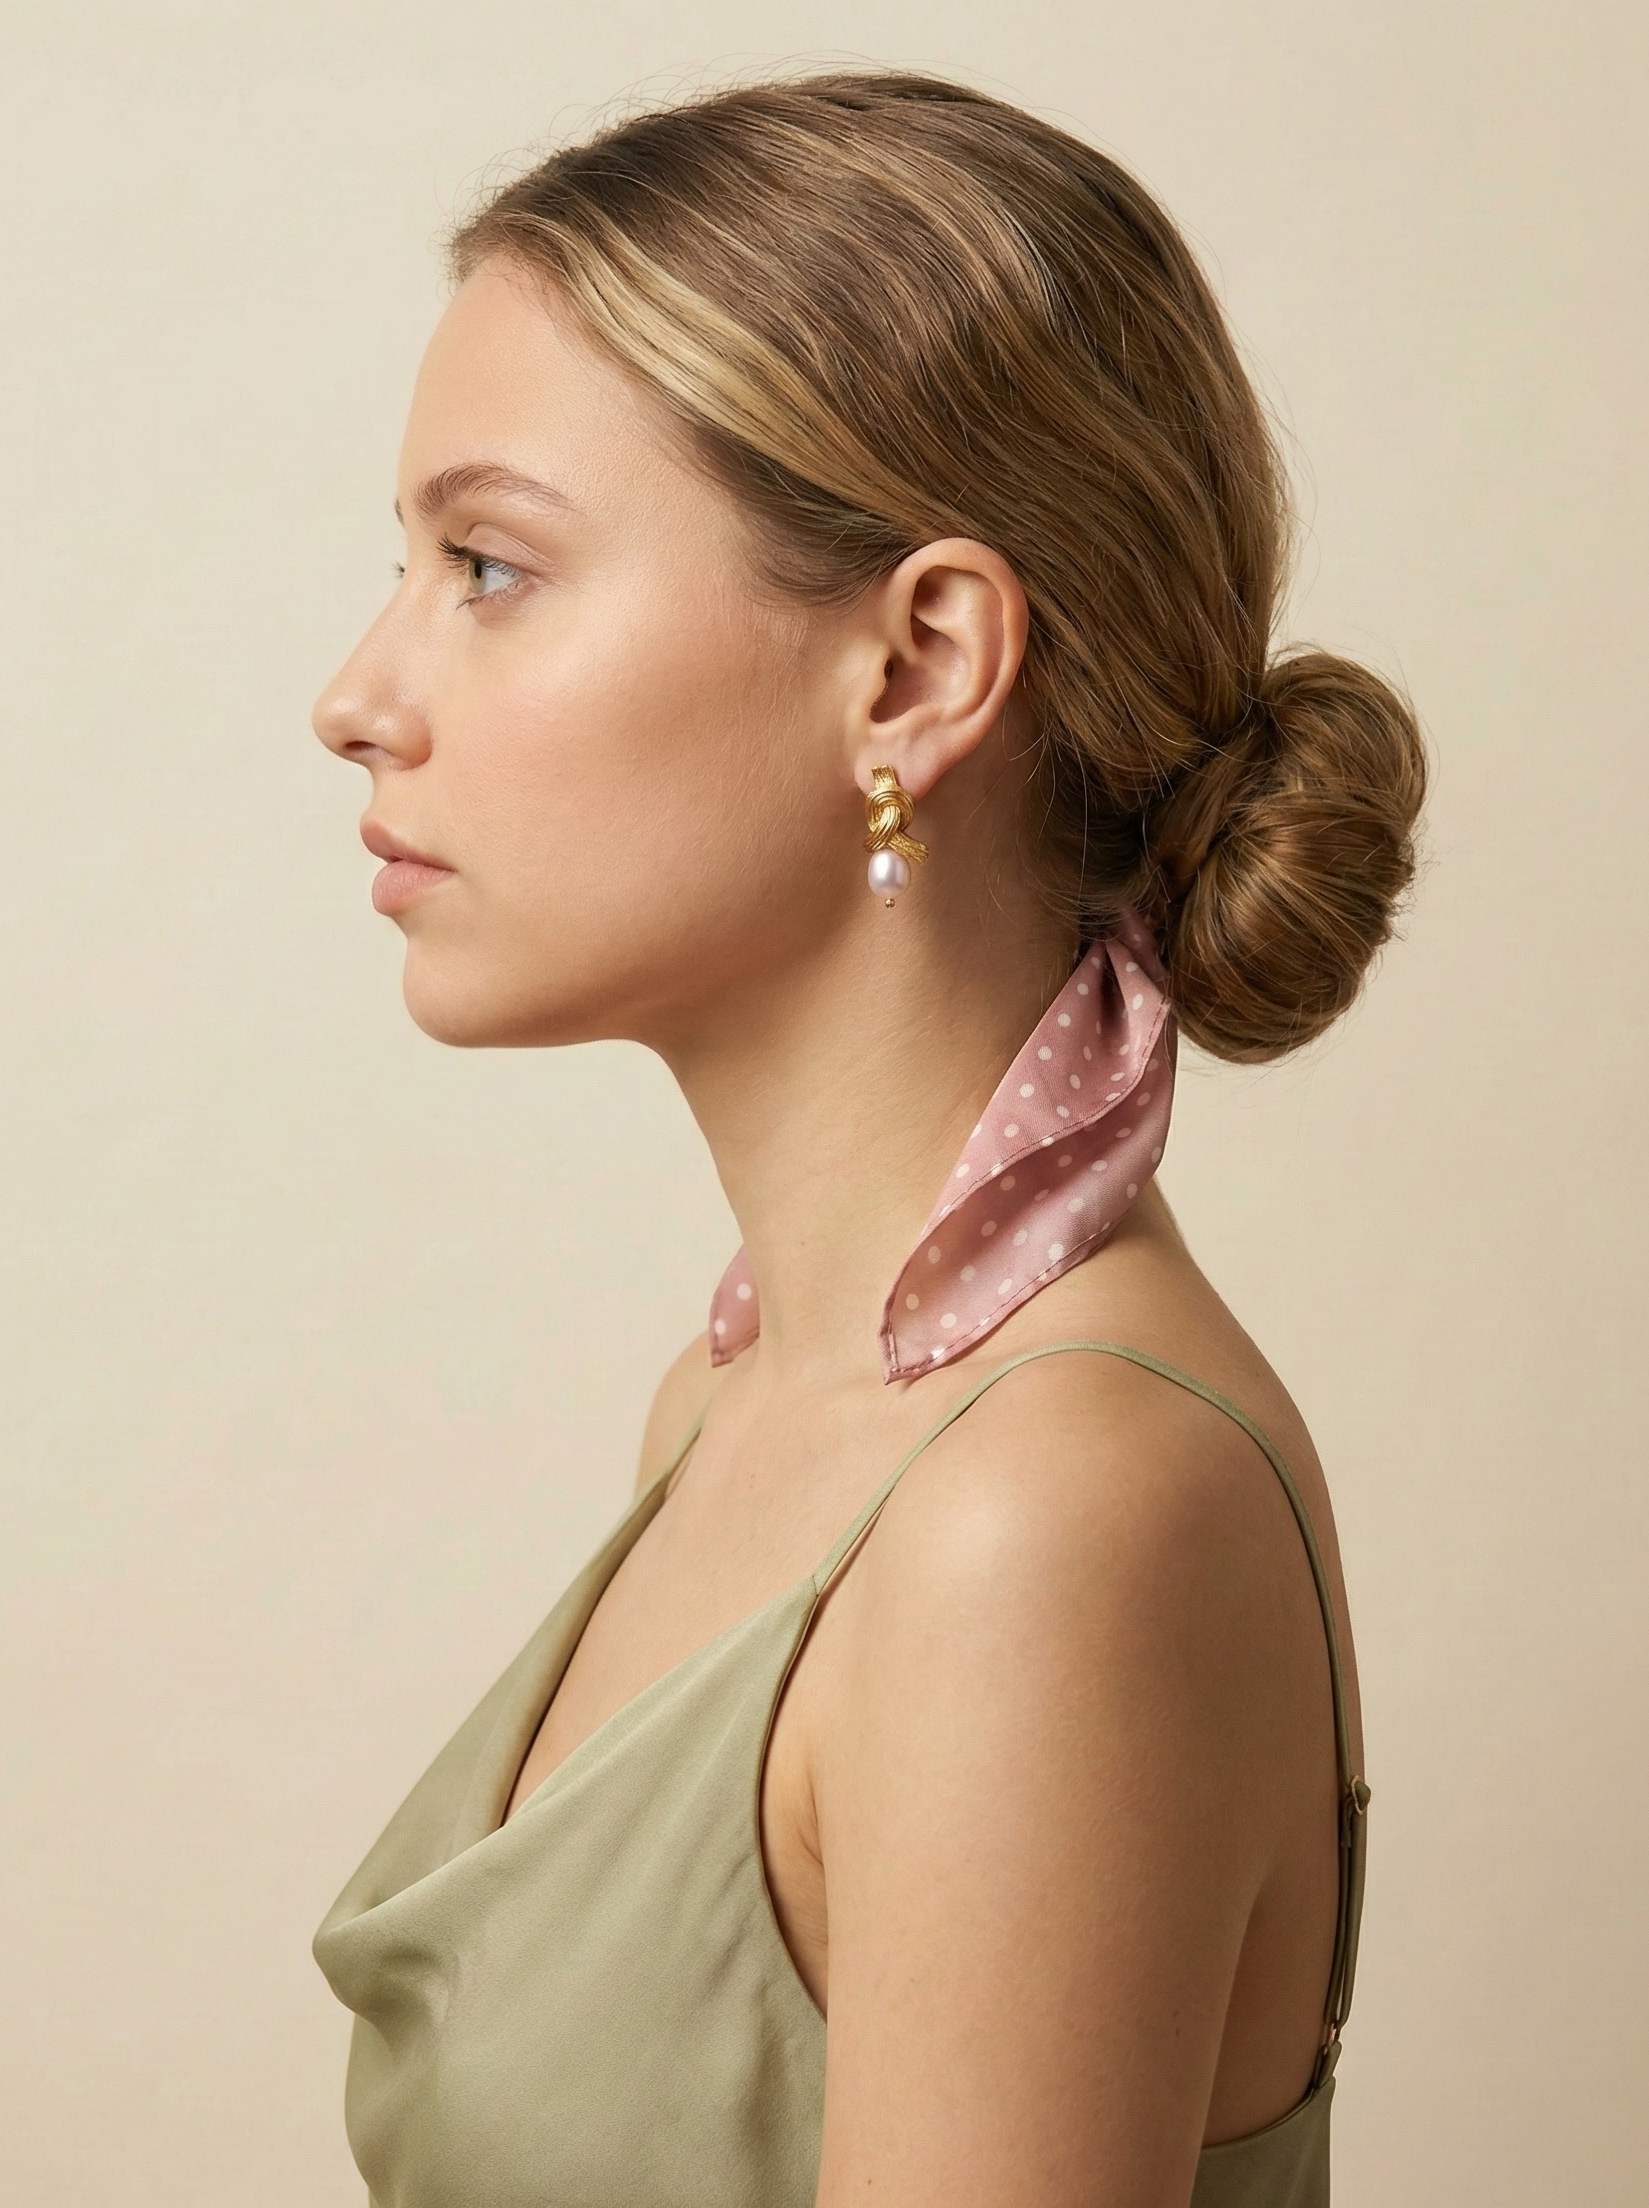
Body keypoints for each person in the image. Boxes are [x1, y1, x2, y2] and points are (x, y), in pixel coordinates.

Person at [311, 70, 1422, 2208]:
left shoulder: (1050, 1516)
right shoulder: (732, 1405)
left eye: (489, 565)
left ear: (914, 665)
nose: (360, 690)